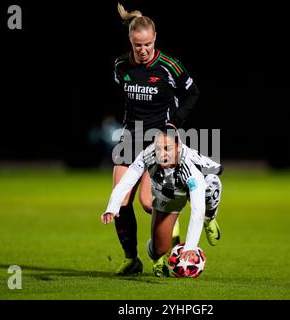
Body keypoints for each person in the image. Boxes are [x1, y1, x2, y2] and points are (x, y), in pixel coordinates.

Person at [110, 3, 200, 275]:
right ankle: (131, 259)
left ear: (155, 38)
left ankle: (166, 251)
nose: (143, 49)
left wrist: (174, 124)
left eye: (147, 44)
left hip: (158, 142)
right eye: (138, 45)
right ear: (130, 41)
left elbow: (193, 93)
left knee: (149, 203)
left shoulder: (169, 66)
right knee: (121, 201)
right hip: (129, 138)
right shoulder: (120, 66)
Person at [102, 126, 222, 277]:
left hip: (196, 184)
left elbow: (197, 209)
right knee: (159, 249)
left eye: (167, 148)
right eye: (158, 148)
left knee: (212, 183)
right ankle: (158, 254)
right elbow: (127, 181)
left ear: (178, 148)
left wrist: (190, 246)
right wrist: (112, 208)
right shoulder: (148, 155)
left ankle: (210, 219)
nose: (162, 154)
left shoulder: (190, 167)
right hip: (169, 193)